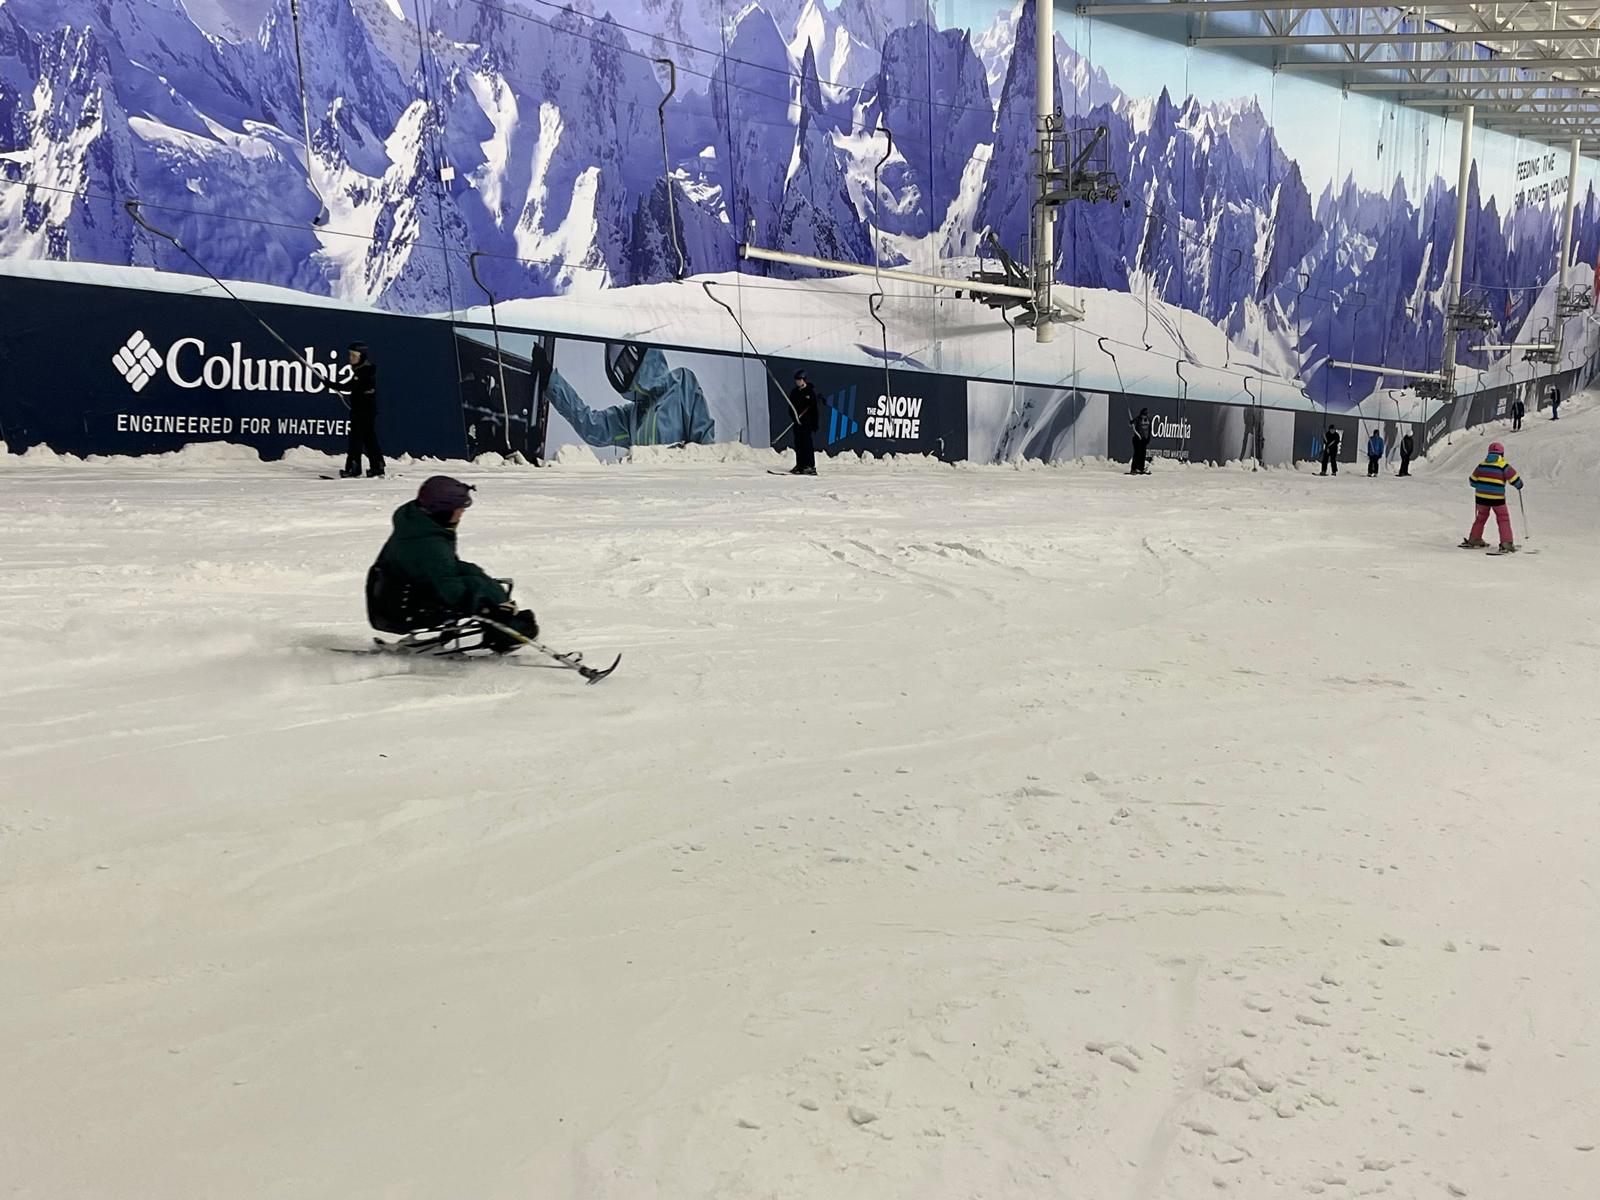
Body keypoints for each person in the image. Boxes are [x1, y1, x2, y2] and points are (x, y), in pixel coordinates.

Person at [365, 476, 538, 651]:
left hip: (393, 598)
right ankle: (506, 631)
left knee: (473, 574)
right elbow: (452, 591)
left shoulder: (418, 524)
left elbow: (442, 569)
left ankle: (506, 614)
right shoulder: (430, 544)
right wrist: (485, 608)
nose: (462, 512)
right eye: (459, 509)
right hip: (401, 612)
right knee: (476, 585)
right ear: (442, 511)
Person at [541, 342, 715, 449]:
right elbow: (591, 425)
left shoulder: (682, 384)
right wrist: (551, 381)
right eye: (622, 367)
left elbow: (704, 443)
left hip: (682, 496)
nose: (627, 370)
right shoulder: (631, 417)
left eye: (627, 362)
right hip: (646, 499)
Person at [1458, 442, 1524, 553]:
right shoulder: (1503, 466)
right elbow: (1515, 480)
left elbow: (1472, 481)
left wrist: (1481, 485)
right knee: (1503, 518)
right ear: (1501, 454)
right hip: (1497, 498)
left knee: (1481, 516)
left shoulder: (1482, 465)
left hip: (1481, 498)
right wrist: (1519, 485)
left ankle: (1474, 539)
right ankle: (1506, 543)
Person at [340, 342, 385, 478]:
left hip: (362, 412)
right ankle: (377, 466)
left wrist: (329, 383)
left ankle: (354, 468)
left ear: (361, 356)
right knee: (370, 439)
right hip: (367, 411)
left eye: (353, 355)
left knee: (356, 440)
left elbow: (349, 386)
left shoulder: (363, 372)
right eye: (350, 355)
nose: (350, 358)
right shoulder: (365, 370)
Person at [788, 369, 819, 475]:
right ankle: (800, 465)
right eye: (796, 379)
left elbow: (814, 409)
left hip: (807, 423)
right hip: (797, 423)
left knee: (807, 444)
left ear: (804, 380)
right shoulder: (794, 392)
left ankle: (810, 466)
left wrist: (814, 424)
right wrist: (794, 417)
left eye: (799, 379)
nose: (797, 381)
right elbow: (790, 407)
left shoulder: (810, 392)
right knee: (798, 444)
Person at [1129, 407, 1152, 474]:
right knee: (1137, 453)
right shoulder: (1138, 419)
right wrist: (1131, 422)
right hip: (1137, 438)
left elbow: (1150, 430)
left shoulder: (1148, 420)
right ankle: (1134, 468)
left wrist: (1148, 438)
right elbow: (1131, 424)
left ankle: (1141, 468)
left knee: (1143, 454)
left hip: (1144, 439)